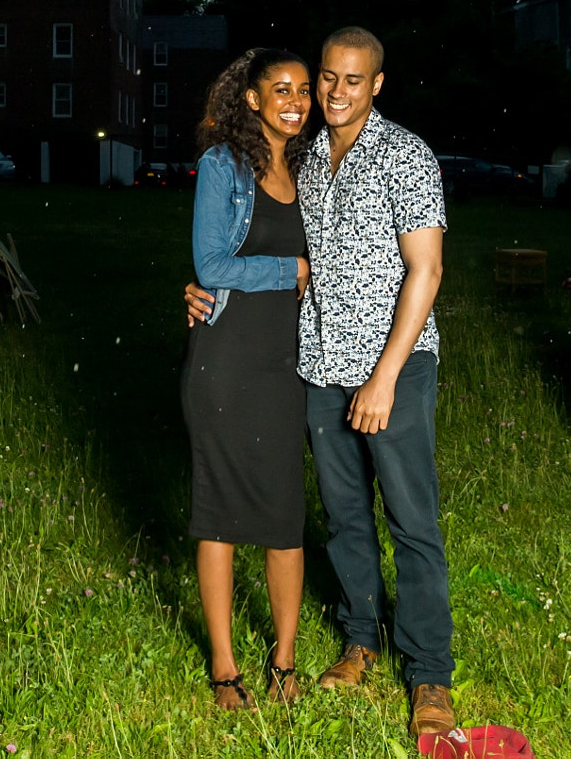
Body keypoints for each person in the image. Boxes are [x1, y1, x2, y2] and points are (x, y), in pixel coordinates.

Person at [186, 27, 457, 739]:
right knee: (344, 520)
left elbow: (426, 271)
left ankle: (429, 673)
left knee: (412, 522)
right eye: (324, 79)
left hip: (389, 369)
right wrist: (201, 286)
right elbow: (250, 242)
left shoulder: (405, 156)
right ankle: (359, 641)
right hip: (317, 367)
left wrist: (385, 377)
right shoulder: (305, 160)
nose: (331, 93)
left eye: (348, 80)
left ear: (377, 84)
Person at [180, 49, 315, 710]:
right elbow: (210, 265)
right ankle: (225, 666)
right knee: (221, 515)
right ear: (254, 100)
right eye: (280, 89)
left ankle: (284, 661)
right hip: (226, 360)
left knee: (285, 515)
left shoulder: (316, 170)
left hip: (289, 366)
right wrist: (290, 271)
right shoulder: (222, 165)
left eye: (305, 90)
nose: (296, 100)